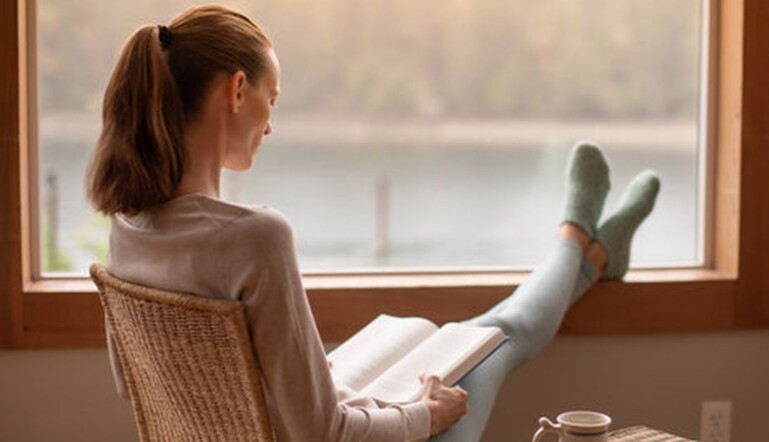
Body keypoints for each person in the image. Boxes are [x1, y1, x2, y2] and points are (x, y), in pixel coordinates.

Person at [86, 5, 660, 441]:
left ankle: (587, 251)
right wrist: (421, 415)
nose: (270, 124)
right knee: (494, 336)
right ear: (238, 90)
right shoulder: (255, 237)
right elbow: (322, 434)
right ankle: (578, 245)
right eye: (273, 99)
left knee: (457, 339)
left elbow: (144, 384)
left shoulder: (128, 228)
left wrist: (316, 384)